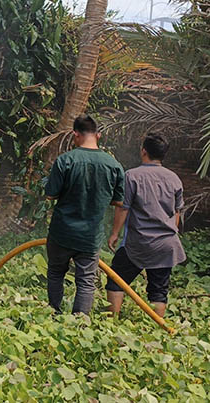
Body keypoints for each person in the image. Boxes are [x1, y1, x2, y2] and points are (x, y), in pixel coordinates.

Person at [44, 114, 125, 314]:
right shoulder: (113, 166)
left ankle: (54, 313)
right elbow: (118, 201)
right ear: (98, 135)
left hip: (62, 233)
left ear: (75, 135)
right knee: (86, 282)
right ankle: (80, 325)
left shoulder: (65, 161)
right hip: (90, 236)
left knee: (55, 273)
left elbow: (50, 195)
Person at [106, 133, 186, 318]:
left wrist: (114, 233)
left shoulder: (132, 176)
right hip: (166, 245)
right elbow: (177, 212)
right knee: (159, 290)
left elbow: (123, 208)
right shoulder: (174, 178)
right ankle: (155, 327)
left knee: (116, 280)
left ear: (144, 151)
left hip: (139, 242)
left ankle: (110, 323)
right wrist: (171, 232)